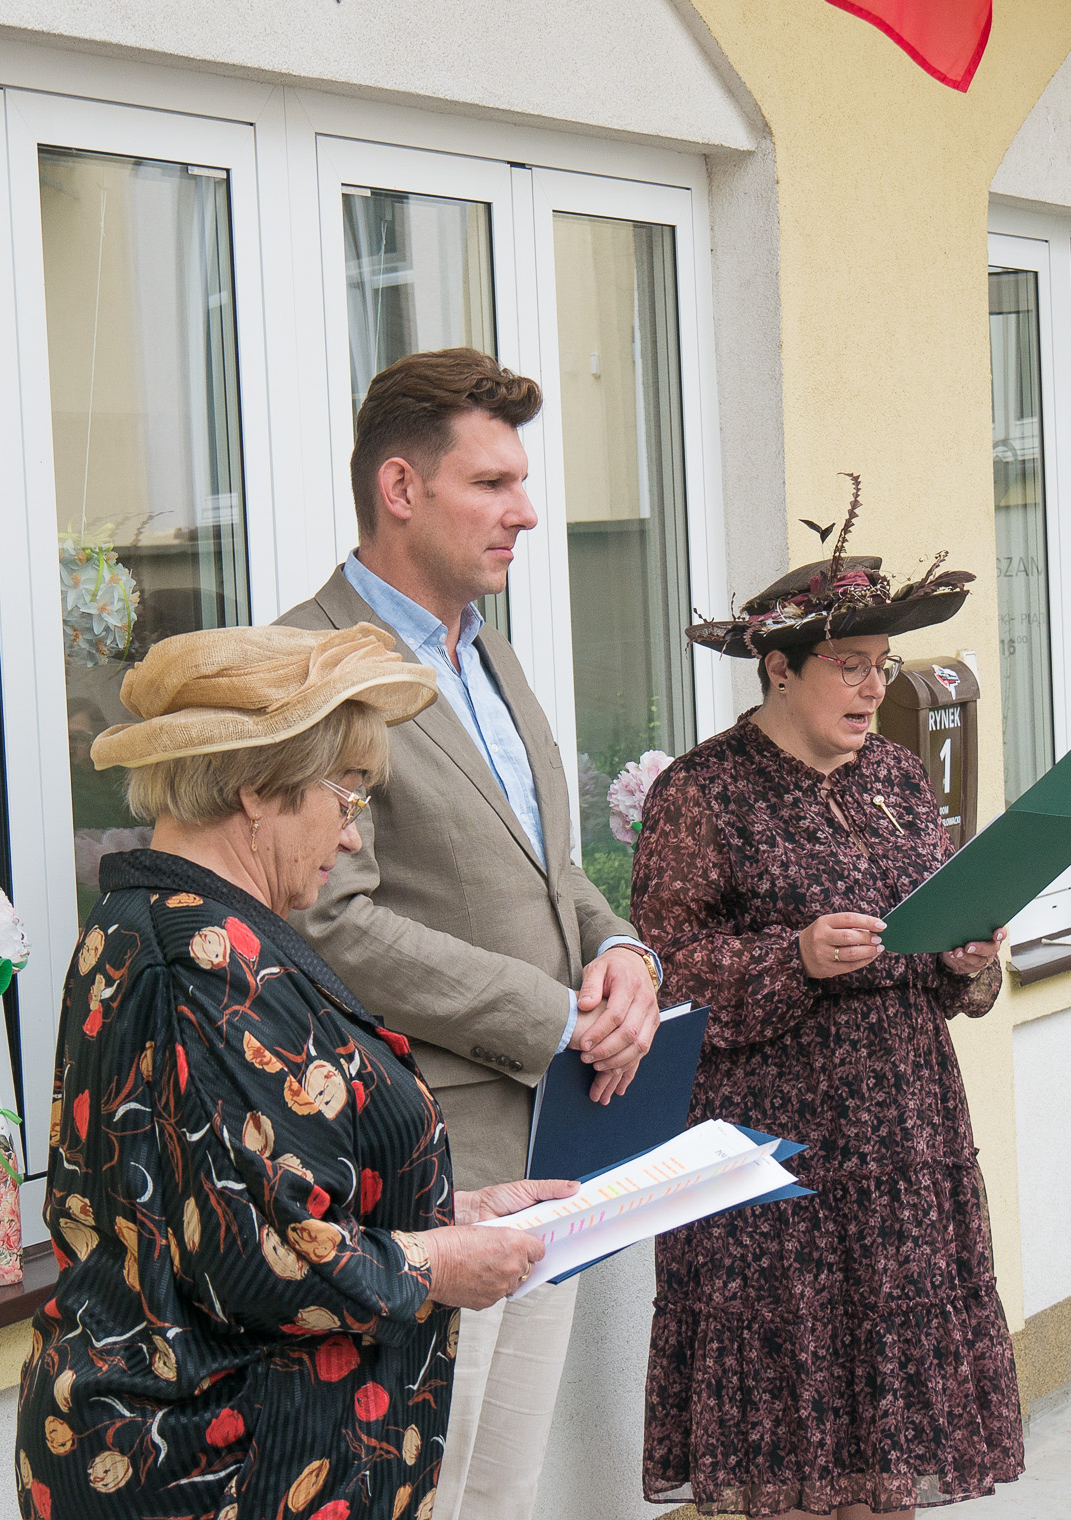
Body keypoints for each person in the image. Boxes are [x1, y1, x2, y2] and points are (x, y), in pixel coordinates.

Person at [14, 623, 577, 1520]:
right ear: (254, 793)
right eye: (346, 798)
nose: (352, 838)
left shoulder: (193, 928)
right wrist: (436, 1261)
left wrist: (448, 1209)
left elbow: (234, 1186)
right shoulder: (200, 958)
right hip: (215, 1465)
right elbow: (263, 1257)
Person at [277, 347, 663, 1520]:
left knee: (505, 1487)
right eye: (491, 483)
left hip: (549, 1143)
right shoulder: (315, 665)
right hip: (427, 1165)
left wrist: (625, 953)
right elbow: (330, 921)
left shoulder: (481, 644)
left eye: (521, 481)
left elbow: (548, 872)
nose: (528, 511)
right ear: (401, 489)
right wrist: (553, 1014)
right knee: (425, 1493)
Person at [633, 510, 1025, 1517]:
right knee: (792, 1447)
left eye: (882, 668)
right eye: (848, 665)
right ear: (777, 666)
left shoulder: (894, 776)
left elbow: (936, 926)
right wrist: (792, 955)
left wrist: (966, 954)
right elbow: (663, 972)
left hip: (903, 1140)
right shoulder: (700, 793)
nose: (870, 689)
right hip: (776, 1158)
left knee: (887, 1430)